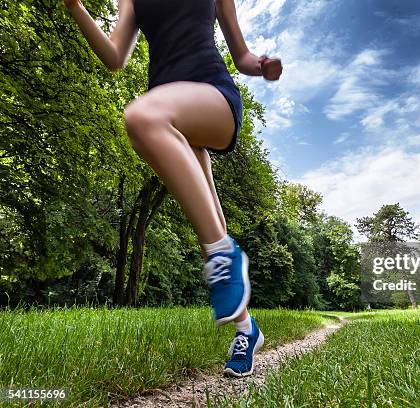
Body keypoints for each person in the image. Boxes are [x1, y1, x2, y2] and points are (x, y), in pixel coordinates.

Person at [63, 0, 282, 377]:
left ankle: (223, 258)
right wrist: (74, 6)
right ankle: (247, 330)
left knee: (141, 115)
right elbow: (116, 57)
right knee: (209, 219)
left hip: (212, 96)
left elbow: (241, 56)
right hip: (174, 111)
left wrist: (261, 67)